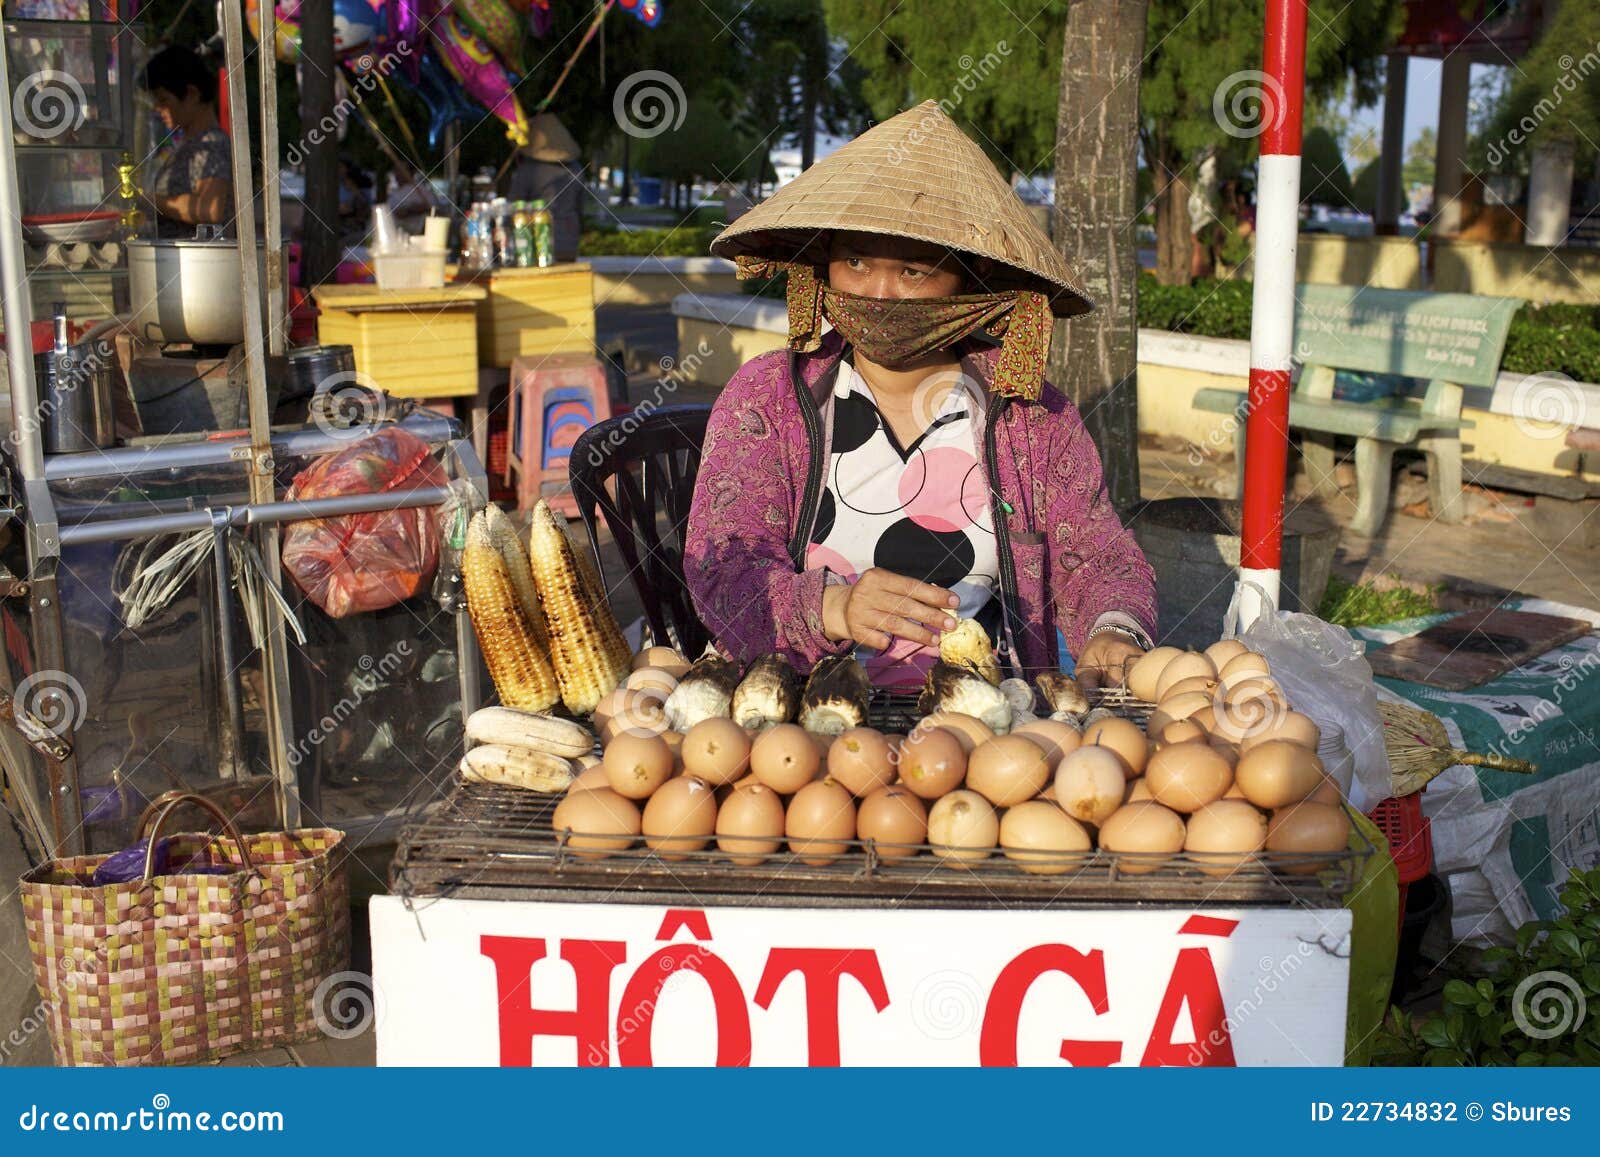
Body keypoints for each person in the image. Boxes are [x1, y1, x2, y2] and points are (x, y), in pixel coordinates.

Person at [683, 101, 1156, 691]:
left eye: (914, 271)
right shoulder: (767, 397)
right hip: (800, 715)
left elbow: (1097, 554)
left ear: (970, 282)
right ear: (823, 268)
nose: (878, 294)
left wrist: (1115, 630)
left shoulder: (1031, 416)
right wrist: (831, 607)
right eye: (855, 261)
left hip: (994, 718)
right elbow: (722, 563)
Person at [141, 46, 232, 238]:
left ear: (192, 94)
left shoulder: (212, 143)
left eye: (164, 99)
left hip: (197, 264)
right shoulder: (187, 144)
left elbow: (210, 208)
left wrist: (148, 201)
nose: (158, 108)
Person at [506, 113, 584, 262]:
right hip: (569, 240)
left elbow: (514, 208)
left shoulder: (528, 170)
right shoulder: (576, 168)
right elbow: (580, 208)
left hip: (537, 242)